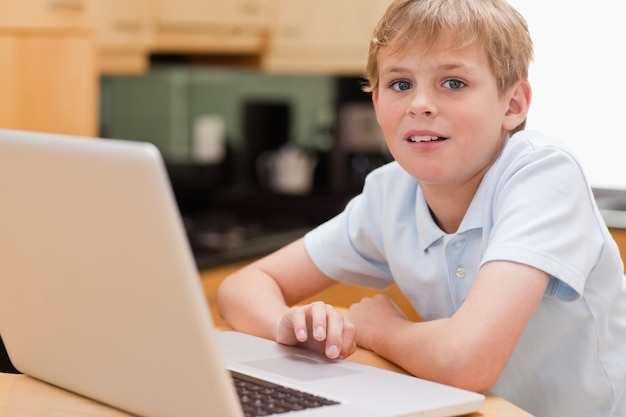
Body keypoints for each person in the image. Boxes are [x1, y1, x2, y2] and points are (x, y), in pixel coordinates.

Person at [217, 0, 626, 415]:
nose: (420, 104)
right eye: (400, 84)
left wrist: (383, 331)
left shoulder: (543, 175)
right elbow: (242, 288)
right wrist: (284, 326)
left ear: (513, 104)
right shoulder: (390, 192)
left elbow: (467, 362)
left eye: (453, 83)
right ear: (376, 103)